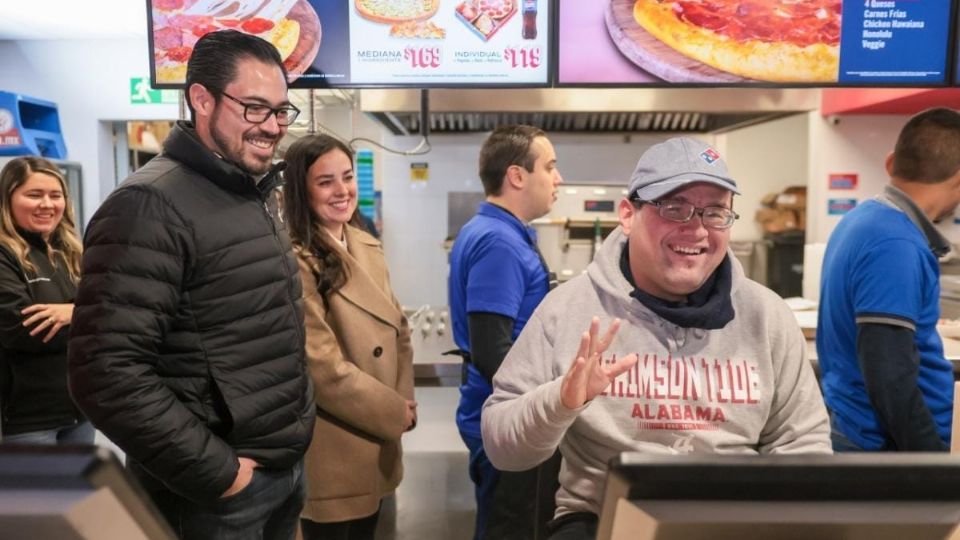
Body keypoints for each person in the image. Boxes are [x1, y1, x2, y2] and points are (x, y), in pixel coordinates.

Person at [481, 137, 832, 540]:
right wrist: (561, 401)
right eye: (674, 208)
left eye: (715, 212)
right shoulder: (568, 311)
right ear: (628, 215)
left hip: (735, 521)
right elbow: (501, 447)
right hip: (601, 521)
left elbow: (803, 443)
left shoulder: (766, 316)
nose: (697, 229)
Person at [68, 30, 315, 540]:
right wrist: (219, 475)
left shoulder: (249, 192)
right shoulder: (149, 205)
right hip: (215, 493)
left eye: (280, 111)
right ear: (201, 99)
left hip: (279, 471)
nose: (272, 127)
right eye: (254, 108)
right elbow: (105, 371)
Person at [282, 134, 416, 539]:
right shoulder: (296, 259)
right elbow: (322, 368)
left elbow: (399, 332)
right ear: (301, 191)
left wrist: (402, 404)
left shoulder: (364, 244)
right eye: (326, 182)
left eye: (347, 177)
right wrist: (393, 411)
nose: (342, 191)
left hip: (378, 436)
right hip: (335, 444)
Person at [817, 108, 960, 452]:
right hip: (880, 445)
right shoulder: (895, 244)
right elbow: (889, 375)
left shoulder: (865, 219)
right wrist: (928, 462)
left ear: (892, 162)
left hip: (860, 432)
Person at [448, 124, 564, 540]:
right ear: (517, 176)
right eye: (550, 167)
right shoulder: (499, 241)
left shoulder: (502, 232)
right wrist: (548, 406)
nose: (558, 178)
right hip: (511, 423)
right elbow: (491, 348)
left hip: (509, 416)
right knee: (512, 528)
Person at [0, 156, 90, 445]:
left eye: (55, 195)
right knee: (37, 492)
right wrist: (88, 317)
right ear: (7, 199)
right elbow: (23, 329)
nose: (47, 204)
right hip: (27, 417)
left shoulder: (70, 252)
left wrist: (74, 312)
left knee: (80, 493)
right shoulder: (5, 254)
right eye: (34, 195)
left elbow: (115, 311)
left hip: (80, 407)